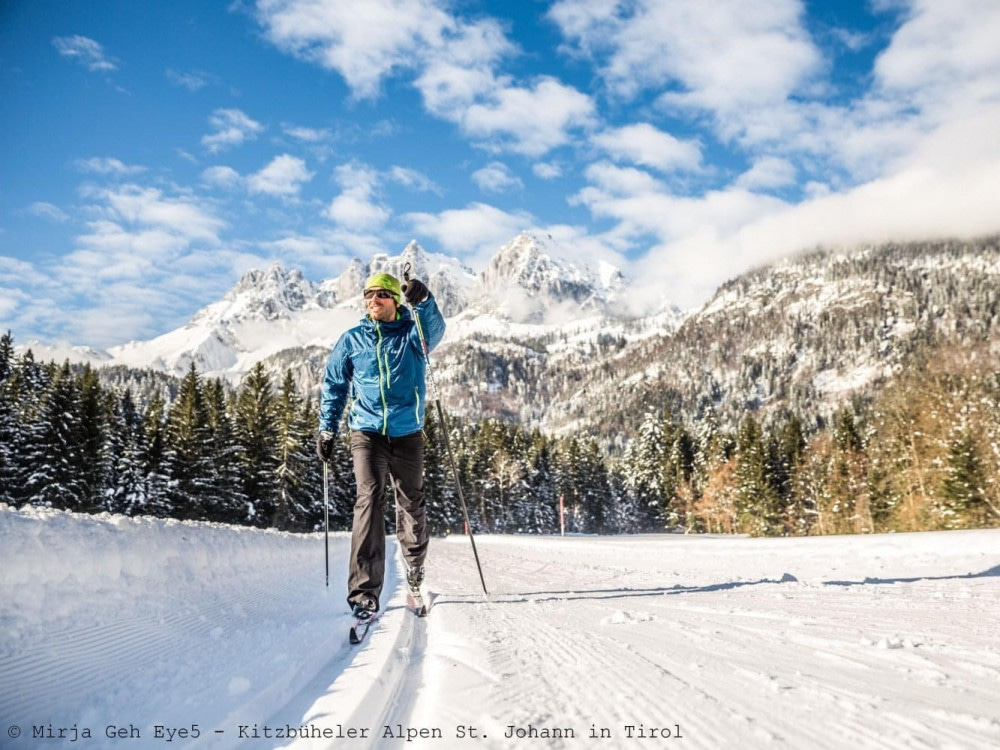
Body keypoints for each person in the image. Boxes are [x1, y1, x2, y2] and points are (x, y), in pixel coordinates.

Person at [316, 271, 446, 622]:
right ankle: (363, 593)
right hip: (367, 433)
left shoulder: (413, 334)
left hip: (407, 433)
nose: (373, 299)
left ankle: (415, 570)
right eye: (368, 294)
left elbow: (435, 330)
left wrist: (423, 300)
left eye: (381, 295)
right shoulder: (353, 340)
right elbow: (334, 386)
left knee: (411, 503)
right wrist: (326, 430)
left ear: (395, 300)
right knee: (368, 500)